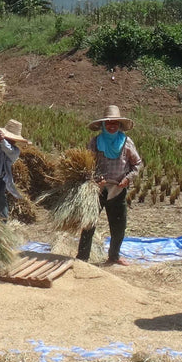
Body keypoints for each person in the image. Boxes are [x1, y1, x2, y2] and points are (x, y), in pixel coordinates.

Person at [77, 105, 143, 265]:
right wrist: (97, 178)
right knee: (89, 224)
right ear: (103, 126)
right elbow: (87, 165)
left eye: (115, 123)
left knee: (119, 225)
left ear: (120, 126)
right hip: (97, 189)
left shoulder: (127, 143)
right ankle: (82, 257)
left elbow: (137, 164)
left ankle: (114, 256)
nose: (112, 126)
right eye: (109, 123)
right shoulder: (95, 142)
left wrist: (128, 179)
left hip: (118, 188)